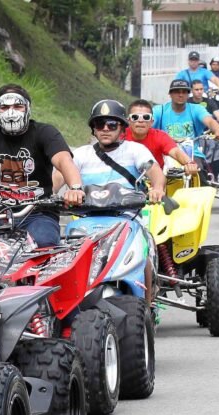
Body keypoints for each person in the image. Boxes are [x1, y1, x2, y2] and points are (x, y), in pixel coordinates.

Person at [0, 84, 84, 247]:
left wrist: (75, 187)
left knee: (44, 243)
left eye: (17, 106)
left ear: (28, 108)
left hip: (38, 213)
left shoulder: (44, 132)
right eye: (4, 107)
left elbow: (63, 160)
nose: (11, 112)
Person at [72, 99, 166, 305]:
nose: (106, 129)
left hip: (127, 218)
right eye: (100, 124)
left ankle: (147, 305)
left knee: (145, 251)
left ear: (122, 128)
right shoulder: (80, 154)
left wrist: (158, 188)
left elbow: (156, 173)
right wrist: (56, 193)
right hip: (86, 220)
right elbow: (58, 179)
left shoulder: (135, 151)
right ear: (93, 129)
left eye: (112, 125)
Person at [124, 99, 200, 178]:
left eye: (146, 117)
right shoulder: (119, 136)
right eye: (135, 117)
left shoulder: (160, 136)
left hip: (155, 182)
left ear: (152, 122)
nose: (140, 121)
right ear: (128, 120)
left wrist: (190, 164)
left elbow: (176, 152)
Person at [153, 80, 219, 142]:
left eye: (184, 92)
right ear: (170, 94)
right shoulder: (159, 110)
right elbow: (148, 124)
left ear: (188, 94)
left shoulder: (197, 109)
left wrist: (217, 130)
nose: (181, 95)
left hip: (193, 153)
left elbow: (209, 121)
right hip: (164, 153)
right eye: (177, 92)